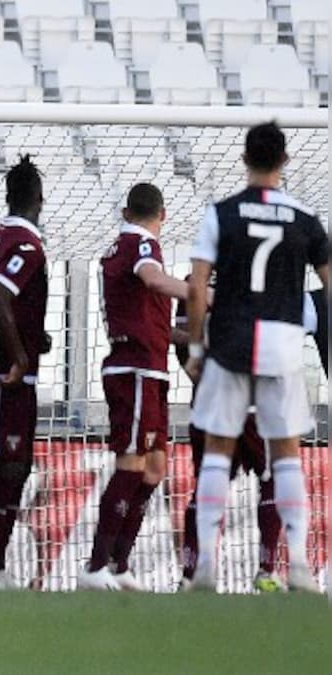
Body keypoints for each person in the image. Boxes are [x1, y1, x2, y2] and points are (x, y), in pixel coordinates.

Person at [186, 121, 329, 593]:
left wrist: (194, 347)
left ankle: (205, 565)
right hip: (283, 345)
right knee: (286, 454)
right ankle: (299, 568)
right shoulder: (306, 219)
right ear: (284, 161)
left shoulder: (221, 214)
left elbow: (197, 287)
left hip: (230, 341)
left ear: (245, 160)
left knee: (218, 452)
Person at [176, 285, 327, 592]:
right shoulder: (268, 275)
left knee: (208, 482)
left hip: (214, 401)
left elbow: (184, 344)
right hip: (257, 402)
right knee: (272, 477)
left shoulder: (197, 278)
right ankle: (266, 571)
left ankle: (193, 574)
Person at [77, 183, 190, 591]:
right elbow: (155, 281)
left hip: (149, 366)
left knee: (155, 467)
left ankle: (120, 564)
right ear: (164, 214)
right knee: (131, 462)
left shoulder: (121, 247)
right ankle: (94, 567)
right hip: (135, 368)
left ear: (126, 211)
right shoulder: (141, 246)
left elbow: (150, 315)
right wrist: (206, 294)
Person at [0, 155, 49, 590]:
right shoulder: (25, 243)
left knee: (12, 465)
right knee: (13, 466)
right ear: (40, 199)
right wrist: (20, 355)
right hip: (4, 374)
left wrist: (36, 337)